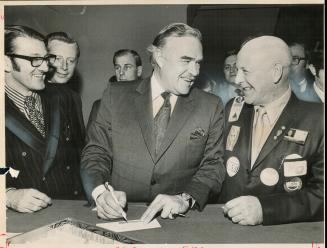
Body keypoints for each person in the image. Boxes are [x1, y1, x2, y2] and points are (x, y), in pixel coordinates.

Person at [81, 23, 225, 223]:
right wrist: (100, 194)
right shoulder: (115, 95)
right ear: (159, 57)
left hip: (177, 219)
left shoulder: (211, 106)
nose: (195, 71)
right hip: (120, 216)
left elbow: (213, 165)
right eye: (186, 60)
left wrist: (185, 199)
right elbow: (96, 152)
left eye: (198, 62)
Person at [218, 35, 323, 225]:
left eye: (245, 71)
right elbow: (215, 167)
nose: (238, 78)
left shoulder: (318, 120)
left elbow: (321, 194)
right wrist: (185, 197)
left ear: (275, 72)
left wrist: (266, 210)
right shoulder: (233, 108)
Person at [5, 25, 85, 213]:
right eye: (35, 59)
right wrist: (7, 195)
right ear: (6, 63)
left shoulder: (63, 96)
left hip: (69, 209)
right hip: (21, 219)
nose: (46, 66)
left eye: (45, 58)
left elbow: (81, 155)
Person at [45, 32, 85, 144]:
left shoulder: (75, 98)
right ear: (44, 58)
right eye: (57, 59)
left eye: (70, 61)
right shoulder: (31, 94)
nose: (64, 67)